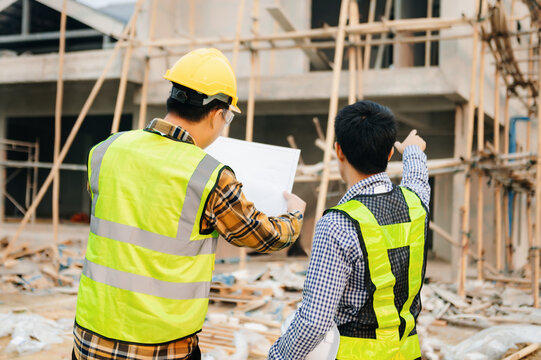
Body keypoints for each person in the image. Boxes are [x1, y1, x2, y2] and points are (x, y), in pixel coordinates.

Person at [72, 48, 305, 360]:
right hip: (161, 347)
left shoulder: (106, 150)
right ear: (217, 113)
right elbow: (267, 236)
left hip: (90, 339)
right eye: (229, 116)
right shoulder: (209, 175)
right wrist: (295, 212)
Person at [269, 100, 430, 360]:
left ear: (338, 150)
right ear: (389, 154)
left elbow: (314, 321)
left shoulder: (337, 225)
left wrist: (278, 356)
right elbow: (418, 177)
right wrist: (413, 151)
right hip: (407, 354)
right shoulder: (416, 205)